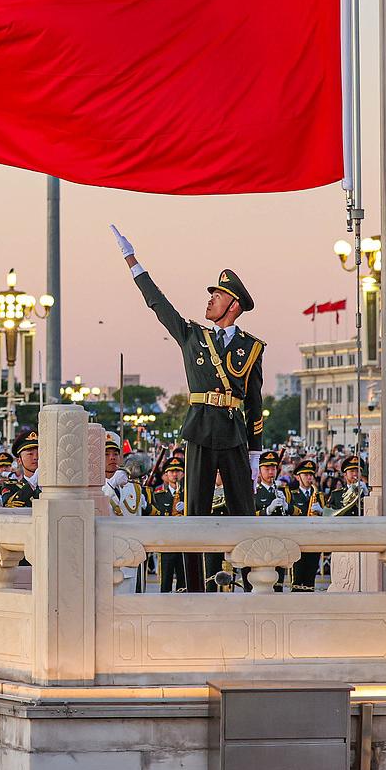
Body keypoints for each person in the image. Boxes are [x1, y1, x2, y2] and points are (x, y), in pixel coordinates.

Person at [113, 226, 264, 593]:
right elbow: (158, 305)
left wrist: (256, 453)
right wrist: (133, 262)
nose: (210, 300)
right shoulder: (193, 335)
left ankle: (252, 584)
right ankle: (196, 588)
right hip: (199, 430)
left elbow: (255, 402)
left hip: (233, 434)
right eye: (212, 294)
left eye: (217, 295)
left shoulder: (252, 347)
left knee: (244, 512)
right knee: (193, 512)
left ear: (234, 305)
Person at [283, 458, 325, 590]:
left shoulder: (319, 495)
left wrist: (322, 512)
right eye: (306, 475)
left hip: (314, 542)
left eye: (311, 475)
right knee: (297, 579)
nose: (309, 478)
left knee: (310, 579)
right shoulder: (291, 494)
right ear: (298, 477)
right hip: (297, 541)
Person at [149, 455, 188, 591]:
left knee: (184, 581)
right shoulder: (158, 495)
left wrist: (186, 509)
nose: (175, 474)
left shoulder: (188, 494)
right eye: (171, 471)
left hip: (185, 543)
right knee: (166, 580)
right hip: (167, 542)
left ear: (183, 473)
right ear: (166, 474)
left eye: (178, 471)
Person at [0, 432, 40, 508]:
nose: (36, 457)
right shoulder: (10, 486)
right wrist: (32, 483)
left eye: (39, 453)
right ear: (19, 460)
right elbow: (10, 505)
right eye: (30, 454)